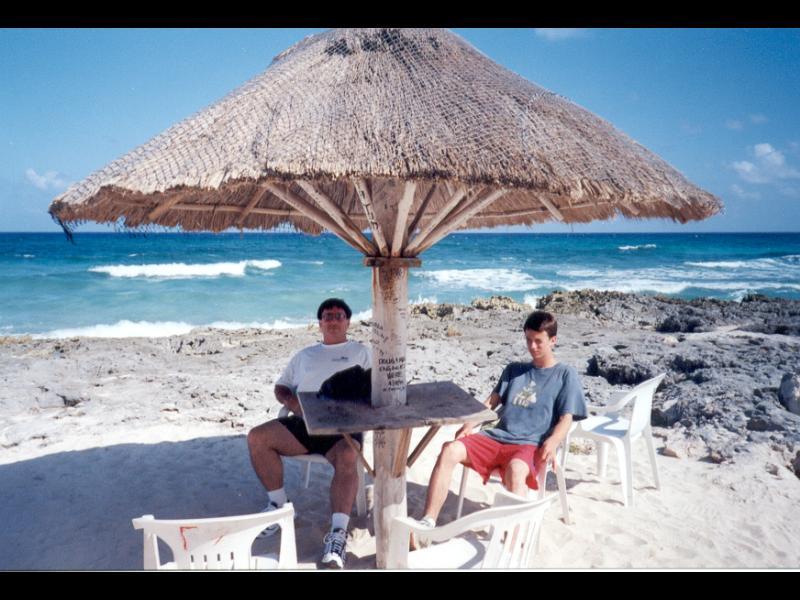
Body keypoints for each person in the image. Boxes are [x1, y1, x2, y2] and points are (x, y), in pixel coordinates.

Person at [415, 310, 587, 531]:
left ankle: (513, 541)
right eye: (528, 340)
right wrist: (469, 425)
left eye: (538, 341)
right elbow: (490, 402)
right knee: (449, 449)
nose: (532, 347)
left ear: (553, 340)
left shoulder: (565, 374)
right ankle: (427, 523)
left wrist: (553, 441)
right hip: (494, 437)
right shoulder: (514, 370)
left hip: (528, 444)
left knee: (516, 472)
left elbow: (566, 418)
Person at [247, 298, 370, 569]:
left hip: (343, 431)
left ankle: (338, 533)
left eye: (339, 316)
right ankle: (278, 507)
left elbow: (378, 386)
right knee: (257, 437)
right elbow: (281, 387)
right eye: (328, 316)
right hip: (305, 424)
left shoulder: (361, 351)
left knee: (349, 457)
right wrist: (292, 404)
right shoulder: (305, 355)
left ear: (348, 322)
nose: (333, 320)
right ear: (320, 323)